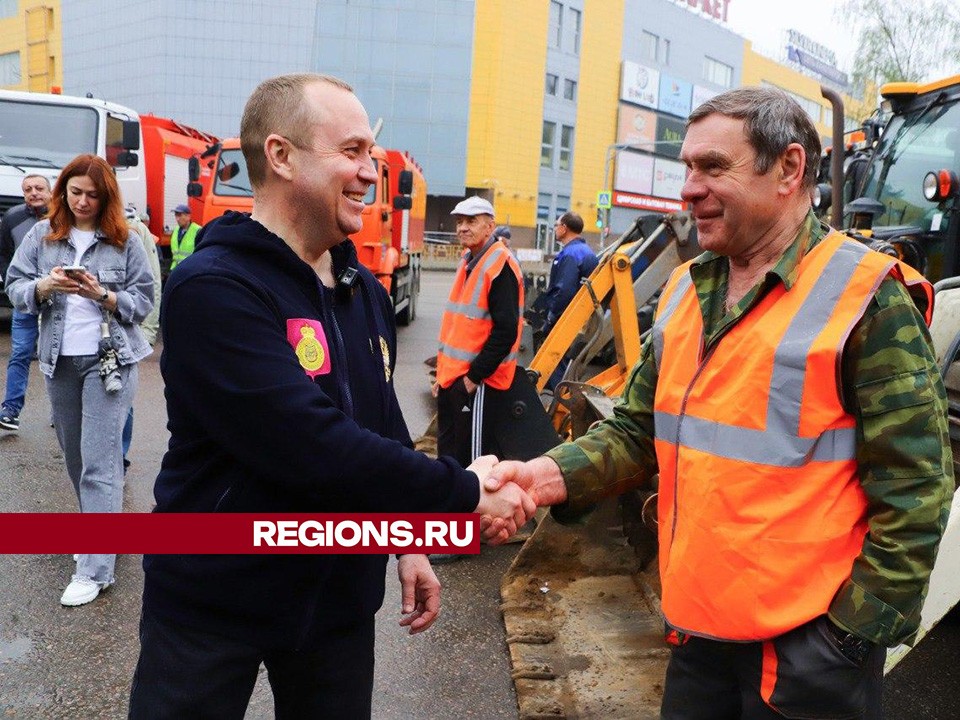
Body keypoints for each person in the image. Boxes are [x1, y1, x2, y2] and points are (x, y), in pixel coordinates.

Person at [487, 87, 954, 719]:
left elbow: (916, 488)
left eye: (713, 167)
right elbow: (634, 432)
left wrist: (850, 637)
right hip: (697, 636)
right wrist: (542, 477)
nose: (688, 188)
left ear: (788, 169)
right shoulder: (684, 294)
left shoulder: (866, 299)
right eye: (687, 167)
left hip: (804, 659)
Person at [127, 73, 534, 719]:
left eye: (370, 155)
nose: (370, 173)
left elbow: (379, 424)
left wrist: (410, 537)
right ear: (283, 156)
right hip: (215, 600)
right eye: (351, 152)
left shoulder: (363, 289)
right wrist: (464, 492)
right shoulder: (214, 288)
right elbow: (309, 442)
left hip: (335, 606)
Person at [5, 155, 155, 606]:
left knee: (99, 463)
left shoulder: (125, 239)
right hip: (58, 361)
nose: (83, 201)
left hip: (109, 362)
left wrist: (103, 294)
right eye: (76, 193)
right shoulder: (42, 235)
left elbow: (144, 299)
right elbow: (13, 285)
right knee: (75, 459)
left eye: (93, 194)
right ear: (63, 192)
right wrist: (42, 287)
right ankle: (99, 535)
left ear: (106, 195)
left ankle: (94, 569)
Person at [434, 196, 524, 469]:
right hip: (455, 380)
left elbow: (506, 332)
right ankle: (450, 509)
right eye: (459, 221)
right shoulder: (469, 260)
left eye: (471, 221)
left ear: (490, 226)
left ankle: (469, 512)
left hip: (478, 384)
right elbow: (459, 327)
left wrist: (472, 378)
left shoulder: (500, 265)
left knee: (471, 463)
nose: (462, 227)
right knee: (449, 454)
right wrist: (444, 377)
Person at [0, 174, 52, 431]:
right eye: (28, 189)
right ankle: (10, 411)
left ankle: (60, 412)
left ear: (50, 191)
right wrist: (12, 286)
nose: (34, 192)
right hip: (26, 299)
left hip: (57, 298)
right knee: (19, 354)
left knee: (57, 357)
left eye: (39, 188)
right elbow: (5, 254)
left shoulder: (63, 217)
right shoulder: (12, 218)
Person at [121, 208, 162, 471]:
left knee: (121, 396)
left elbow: (152, 284)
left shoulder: (136, 231)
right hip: (81, 333)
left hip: (125, 327)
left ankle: (118, 460)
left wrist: (148, 330)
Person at [541, 211, 597, 389]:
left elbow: (564, 290)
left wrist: (551, 316)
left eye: (557, 225)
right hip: (580, 317)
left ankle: (557, 407)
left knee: (557, 361)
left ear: (564, 228)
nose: (555, 229)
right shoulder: (585, 251)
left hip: (566, 318)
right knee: (566, 363)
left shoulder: (571, 254)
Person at [169, 203, 200, 269]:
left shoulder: (197, 230)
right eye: (176, 216)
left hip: (190, 269)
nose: (177, 219)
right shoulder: (176, 230)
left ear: (188, 216)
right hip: (176, 269)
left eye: (180, 215)